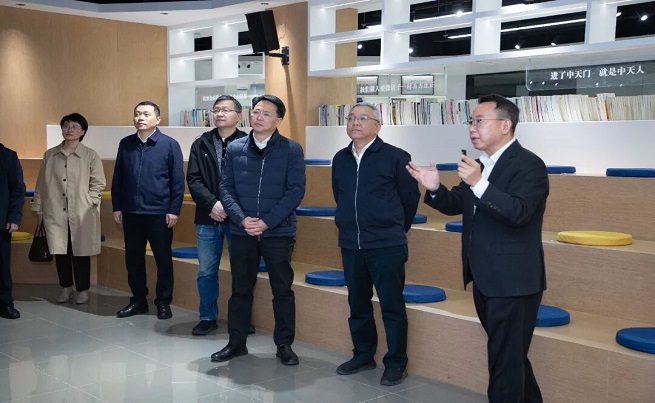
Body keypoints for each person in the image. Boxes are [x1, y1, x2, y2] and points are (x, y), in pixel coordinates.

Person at [406, 94, 549, 402]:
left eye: (480, 121)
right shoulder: (482, 165)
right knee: (509, 357)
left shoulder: (529, 164)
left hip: (513, 281)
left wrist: (480, 183)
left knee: (504, 360)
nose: (472, 128)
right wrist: (434, 188)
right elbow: (456, 203)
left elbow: (520, 213)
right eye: (470, 122)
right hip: (485, 277)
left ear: (505, 125)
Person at [211, 94, 305, 366]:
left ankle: (284, 345)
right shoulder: (235, 148)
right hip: (243, 232)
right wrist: (242, 220)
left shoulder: (291, 149)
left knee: (282, 290)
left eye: (266, 113)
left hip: (278, 232)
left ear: (279, 119)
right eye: (255, 112)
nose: (259, 117)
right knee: (240, 289)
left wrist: (267, 222)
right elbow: (225, 187)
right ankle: (236, 343)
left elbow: (295, 191)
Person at [331, 103, 420, 386]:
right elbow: (339, 195)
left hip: (386, 244)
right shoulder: (340, 158)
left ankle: (396, 363)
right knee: (357, 304)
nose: (355, 123)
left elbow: (410, 199)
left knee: (392, 306)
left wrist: (394, 229)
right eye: (351, 118)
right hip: (351, 243)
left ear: (377, 125)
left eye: (363, 118)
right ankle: (363, 355)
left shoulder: (396, 157)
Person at [111, 101, 184, 320]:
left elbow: (177, 181)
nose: (140, 118)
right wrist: (117, 206)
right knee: (133, 260)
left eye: (145, 114)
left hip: (159, 213)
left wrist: (174, 210)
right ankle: (138, 301)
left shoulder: (169, 144)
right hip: (131, 212)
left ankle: (163, 302)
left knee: (163, 260)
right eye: (137, 114)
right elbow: (118, 177)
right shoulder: (126, 143)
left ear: (158, 119)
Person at [186, 95, 247, 336]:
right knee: (206, 272)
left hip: (239, 220)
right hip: (207, 217)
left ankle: (241, 319)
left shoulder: (248, 142)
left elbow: (250, 183)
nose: (219, 114)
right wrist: (213, 204)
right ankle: (207, 316)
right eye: (216, 110)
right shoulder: (200, 143)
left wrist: (230, 208)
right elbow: (194, 179)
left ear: (239, 116)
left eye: (226, 110)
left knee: (241, 271)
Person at [32, 113, 106, 305]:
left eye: (74, 126)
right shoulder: (50, 155)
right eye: (65, 126)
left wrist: (90, 201)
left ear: (83, 131)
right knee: (61, 252)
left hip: (82, 212)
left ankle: (82, 289)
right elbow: (41, 185)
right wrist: (39, 209)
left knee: (81, 252)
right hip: (55, 211)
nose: (69, 130)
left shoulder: (90, 155)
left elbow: (98, 183)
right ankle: (65, 287)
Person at [0, 143, 25, 319]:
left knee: (2, 266)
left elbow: (17, 188)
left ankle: (5, 303)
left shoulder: (7, 156)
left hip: (2, 222)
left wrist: (14, 217)